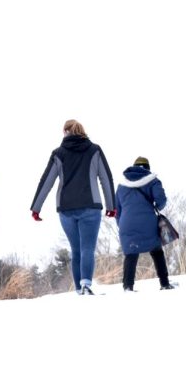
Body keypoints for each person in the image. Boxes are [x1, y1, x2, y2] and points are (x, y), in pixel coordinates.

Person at [30, 119, 115, 295]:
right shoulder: (94, 150)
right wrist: (111, 205)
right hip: (91, 207)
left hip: (66, 209)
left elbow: (47, 181)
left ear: (65, 132)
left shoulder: (58, 153)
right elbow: (106, 178)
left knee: (76, 250)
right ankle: (86, 285)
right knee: (87, 249)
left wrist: (36, 208)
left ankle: (79, 290)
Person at [115, 157, 176, 291]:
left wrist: (121, 224)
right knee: (157, 251)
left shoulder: (121, 185)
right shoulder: (152, 181)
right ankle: (164, 283)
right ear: (147, 168)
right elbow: (161, 202)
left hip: (126, 224)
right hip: (147, 222)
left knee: (130, 253)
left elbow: (117, 210)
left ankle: (128, 287)